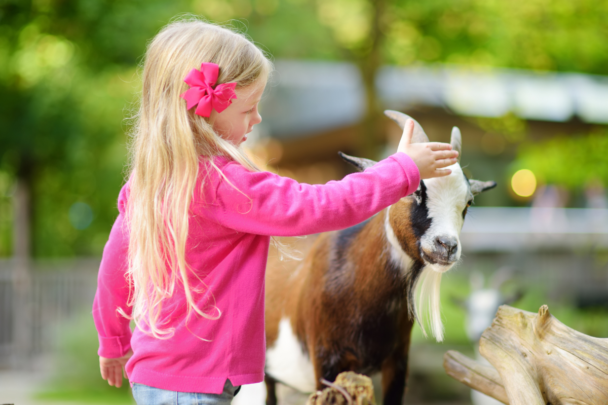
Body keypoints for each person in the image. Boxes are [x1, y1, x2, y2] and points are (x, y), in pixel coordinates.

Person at [92, 18, 459, 405]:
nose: (257, 119)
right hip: (193, 389)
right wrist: (402, 169)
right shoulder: (223, 185)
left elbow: (115, 267)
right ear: (208, 109)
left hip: (157, 377)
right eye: (249, 108)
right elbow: (321, 205)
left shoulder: (150, 181)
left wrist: (112, 339)